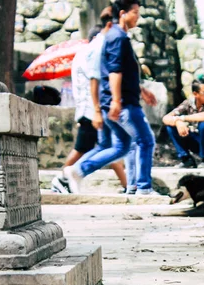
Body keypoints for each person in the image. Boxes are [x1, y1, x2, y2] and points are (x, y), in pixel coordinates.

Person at [63, 0, 158, 195]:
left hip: (117, 101)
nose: (138, 16)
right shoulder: (118, 37)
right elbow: (114, 72)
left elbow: (121, 72)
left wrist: (141, 90)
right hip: (123, 104)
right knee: (146, 140)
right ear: (123, 13)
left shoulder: (117, 36)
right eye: (135, 12)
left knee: (121, 146)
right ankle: (143, 187)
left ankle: (78, 170)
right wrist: (116, 100)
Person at [52, 9, 127, 194]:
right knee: (89, 148)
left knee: (107, 148)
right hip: (92, 109)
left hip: (88, 108)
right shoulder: (93, 52)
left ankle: (127, 185)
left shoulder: (82, 54)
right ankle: (60, 179)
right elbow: (96, 79)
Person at [162, 79, 204, 168]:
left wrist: (182, 118)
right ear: (195, 94)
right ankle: (186, 159)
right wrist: (178, 122)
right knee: (170, 127)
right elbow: (165, 118)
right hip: (198, 140)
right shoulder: (188, 103)